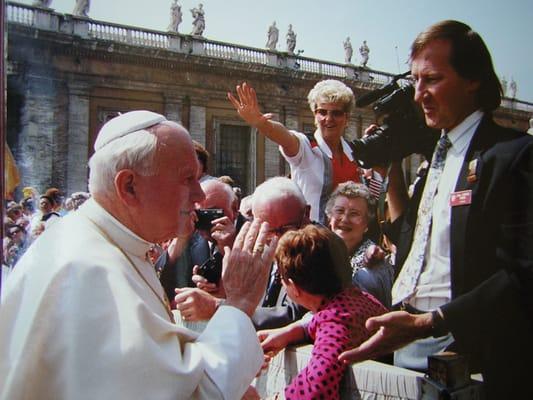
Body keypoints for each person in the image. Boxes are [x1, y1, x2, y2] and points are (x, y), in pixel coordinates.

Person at [0, 110, 278, 400]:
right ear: (129, 186)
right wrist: (239, 302)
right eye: (187, 179)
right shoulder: (89, 270)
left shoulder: (103, 245)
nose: (198, 196)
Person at [338, 20, 533, 399]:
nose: (419, 94)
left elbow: (523, 271)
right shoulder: (435, 162)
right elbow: (404, 236)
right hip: (406, 335)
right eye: (415, 81)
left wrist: (430, 322)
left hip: (471, 346)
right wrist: (391, 162)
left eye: (433, 80)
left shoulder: (513, 155)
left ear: (473, 79)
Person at [258, 225, 387, 400]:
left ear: (294, 286)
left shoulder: (336, 323)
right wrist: (289, 333)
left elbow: (316, 391)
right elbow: (319, 322)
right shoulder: (356, 298)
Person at [228, 80, 372, 224]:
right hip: (313, 239)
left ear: (346, 118)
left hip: (348, 237)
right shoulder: (306, 147)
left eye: (336, 113)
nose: (328, 119)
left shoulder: (352, 152)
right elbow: (285, 137)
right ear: (315, 116)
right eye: (322, 112)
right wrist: (262, 123)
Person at [325, 181, 394, 308]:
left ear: (367, 225)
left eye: (354, 214)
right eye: (339, 211)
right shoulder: (320, 251)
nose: (345, 219)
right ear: (329, 217)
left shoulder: (373, 266)